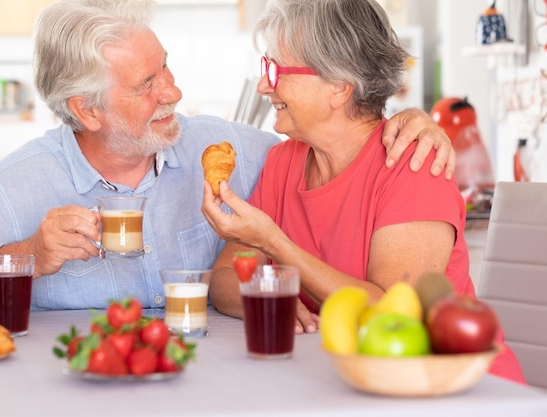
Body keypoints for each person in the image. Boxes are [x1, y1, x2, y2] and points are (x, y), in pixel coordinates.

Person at [0, 0, 452, 317]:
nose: (173, 93)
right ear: (88, 110)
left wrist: (413, 117)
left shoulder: (239, 152)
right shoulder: (20, 185)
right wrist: (23, 257)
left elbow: (350, 133)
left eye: (166, 69)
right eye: (147, 84)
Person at [201, 0, 525, 384]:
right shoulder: (283, 161)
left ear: (339, 86)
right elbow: (221, 278)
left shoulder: (413, 163)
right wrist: (273, 305)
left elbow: (391, 313)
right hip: (338, 379)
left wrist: (274, 244)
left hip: (452, 389)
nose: (263, 84)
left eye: (276, 69)